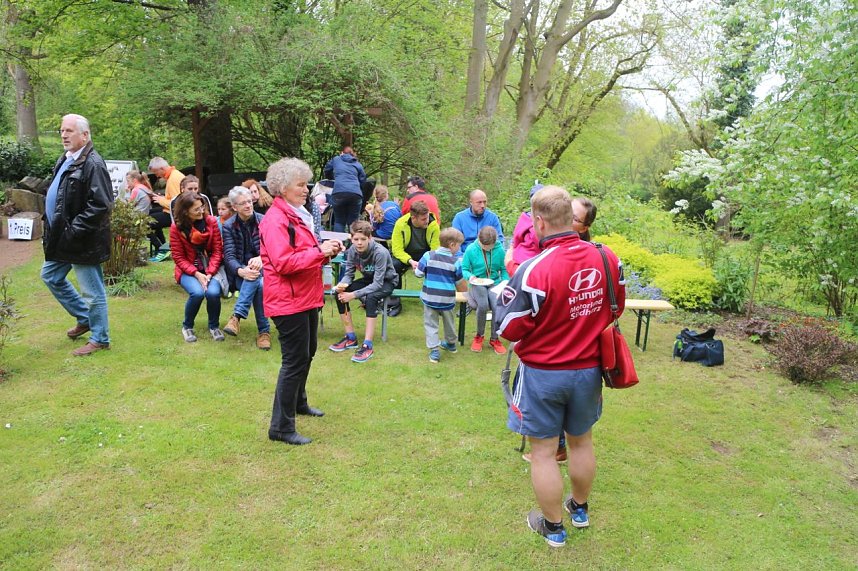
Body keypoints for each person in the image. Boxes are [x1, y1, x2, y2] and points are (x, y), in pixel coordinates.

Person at [495, 185, 624, 547]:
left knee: (543, 452)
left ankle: (553, 527)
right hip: (589, 371)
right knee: (582, 442)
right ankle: (578, 509)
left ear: (538, 221)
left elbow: (508, 327)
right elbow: (617, 305)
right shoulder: (607, 257)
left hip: (544, 374)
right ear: (572, 219)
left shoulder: (534, 269)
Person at [260, 157, 344, 446]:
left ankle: (298, 402)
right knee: (293, 361)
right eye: (300, 184)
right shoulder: (276, 220)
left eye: (307, 183)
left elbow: (306, 253)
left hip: (306, 296)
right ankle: (280, 428)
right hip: (288, 301)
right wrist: (320, 251)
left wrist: (327, 251)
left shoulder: (298, 214)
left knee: (307, 352)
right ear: (283, 188)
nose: (307, 189)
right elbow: (283, 263)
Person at [41, 113, 114, 356]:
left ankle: (100, 337)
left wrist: (74, 230)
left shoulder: (92, 163)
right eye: (62, 130)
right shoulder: (67, 158)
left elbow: (101, 205)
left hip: (82, 240)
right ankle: (85, 318)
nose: (63, 135)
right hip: (62, 237)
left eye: (69, 131)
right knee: (51, 276)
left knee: (92, 292)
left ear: (85, 135)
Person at [329, 220, 398, 363]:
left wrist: (353, 295)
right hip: (369, 280)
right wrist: (343, 285)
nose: (359, 243)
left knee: (371, 297)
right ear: (351, 238)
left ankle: (368, 345)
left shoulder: (380, 252)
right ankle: (350, 338)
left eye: (363, 239)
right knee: (339, 293)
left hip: (386, 282)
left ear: (370, 238)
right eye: (356, 239)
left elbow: (378, 284)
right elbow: (349, 273)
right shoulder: (352, 251)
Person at [170, 192, 225, 343]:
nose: (201, 211)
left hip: (209, 269)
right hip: (188, 270)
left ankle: (214, 326)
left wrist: (209, 272)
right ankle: (187, 327)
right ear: (185, 211)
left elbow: (218, 251)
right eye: (196, 209)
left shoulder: (211, 222)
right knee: (197, 293)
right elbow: (178, 257)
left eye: (202, 207)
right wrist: (196, 274)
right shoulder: (176, 228)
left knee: (213, 293)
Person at [221, 186, 270, 350]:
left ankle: (236, 317)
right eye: (243, 203)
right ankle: (264, 333)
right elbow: (229, 256)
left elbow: (273, 250)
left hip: (265, 270)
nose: (248, 205)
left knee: (258, 280)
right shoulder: (228, 226)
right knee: (258, 283)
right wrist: (241, 271)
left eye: (249, 201)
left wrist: (261, 258)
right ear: (234, 207)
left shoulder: (264, 221)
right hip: (240, 274)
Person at [414, 227, 467, 363]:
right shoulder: (456, 262)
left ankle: (434, 351)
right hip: (448, 300)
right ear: (452, 245)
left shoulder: (428, 256)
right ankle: (451, 344)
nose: (459, 249)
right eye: (459, 245)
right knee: (449, 323)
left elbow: (418, 273)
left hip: (429, 297)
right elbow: (459, 282)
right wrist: (467, 293)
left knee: (431, 324)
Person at [387, 200, 440, 316]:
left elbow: (435, 250)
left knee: (437, 264)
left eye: (427, 217)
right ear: (413, 218)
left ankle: (436, 300)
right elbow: (397, 250)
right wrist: (410, 261)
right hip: (405, 254)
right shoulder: (400, 224)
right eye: (423, 219)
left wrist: (424, 262)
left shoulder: (433, 225)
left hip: (425, 255)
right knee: (393, 265)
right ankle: (394, 302)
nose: (427, 221)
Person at [461, 226, 509, 354]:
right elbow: (464, 268)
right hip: (477, 283)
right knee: (483, 305)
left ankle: (494, 338)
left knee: (497, 306)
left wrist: (505, 281)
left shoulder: (499, 250)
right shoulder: (471, 249)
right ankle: (479, 336)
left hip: (494, 283)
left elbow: (504, 269)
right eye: (484, 246)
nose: (487, 249)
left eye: (490, 246)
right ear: (479, 240)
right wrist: (470, 277)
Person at [323, 146, 368, 232]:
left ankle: (338, 244)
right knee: (354, 222)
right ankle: (355, 244)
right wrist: (357, 188)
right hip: (355, 194)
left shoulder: (336, 159)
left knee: (339, 221)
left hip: (339, 193)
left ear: (342, 153)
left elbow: (327, 169)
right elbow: (363, 180)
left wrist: (332, 178)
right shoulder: (357, 164)